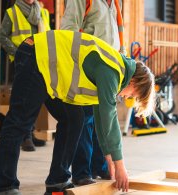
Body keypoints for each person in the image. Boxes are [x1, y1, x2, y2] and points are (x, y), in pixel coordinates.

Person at [0, 30, 155, 195]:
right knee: (19, 122)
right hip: (35, 54)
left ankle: (57, 180)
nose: (127, 96)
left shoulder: (117, 74)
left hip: (51, 71)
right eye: (133, 94)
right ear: (134, 81)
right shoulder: (113, 70)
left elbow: (101, 119)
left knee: (74, 119)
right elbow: (109, 117)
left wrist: (109, 156)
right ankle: (6, 186)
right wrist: (120, 165)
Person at [60, 0, 125, 186]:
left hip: (108, 70)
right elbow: (68, 30)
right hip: (87, 68)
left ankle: (101, 166)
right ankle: (82, 172)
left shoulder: (115, 3)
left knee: (102, 121)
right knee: (85, 120)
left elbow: (117, 35)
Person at [0, 0, 51, 152]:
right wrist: (19, 53)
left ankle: (30, 133)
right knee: (22, 101)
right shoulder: (12, 12)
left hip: (40, 61)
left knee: (34, 99)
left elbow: (49, 36)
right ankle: (25, 136)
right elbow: (3, 36)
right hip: (21, 62)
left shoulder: (43, 12)